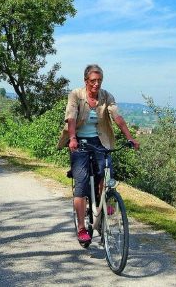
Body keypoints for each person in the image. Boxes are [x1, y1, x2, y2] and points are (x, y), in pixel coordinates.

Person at [57, 64, 139, 244]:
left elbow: (117, 117)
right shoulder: (76, 95)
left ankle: (103, 205)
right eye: (93, 80)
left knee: (106, 172)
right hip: (79, 141)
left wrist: (130, 138)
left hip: (100, 141)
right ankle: (81, 228)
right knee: (81, 183)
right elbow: (71, 116)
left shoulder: (106, 96)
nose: (96, 84)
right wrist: (72, 138)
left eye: (99, 80)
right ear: (86, 81)